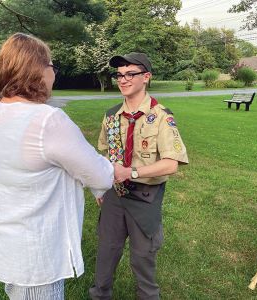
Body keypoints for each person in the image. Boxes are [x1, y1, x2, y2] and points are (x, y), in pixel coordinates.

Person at [0, 33, 114, 300]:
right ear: (37, 70)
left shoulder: (0, 113)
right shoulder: (47, 120)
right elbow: (99, 175)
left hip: (9, 244)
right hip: (37, 255)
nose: (54, 72)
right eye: (51, 65)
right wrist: (121, 171)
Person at [89, 52, 189, 300]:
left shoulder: (161, 116)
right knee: (106, 253)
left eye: (130, 74)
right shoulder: (111, 116)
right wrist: (101, 185)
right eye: (119, 75)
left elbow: (171, 163)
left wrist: (131, 171)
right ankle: (99, 296)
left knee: (142, 259)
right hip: (115, 196)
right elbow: (105, 154)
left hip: (146, 197)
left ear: (146, 77)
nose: (123, 80)